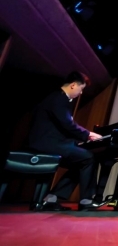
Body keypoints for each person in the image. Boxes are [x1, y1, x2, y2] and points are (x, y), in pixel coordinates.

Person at [27, 71, 104, 211]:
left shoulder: (57, 97)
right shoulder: (58, 98)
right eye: (81, 89)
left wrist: (76, 141)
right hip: (46, 143)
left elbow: (62, 126)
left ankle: (52, 198)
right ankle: (86, 200)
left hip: (49, 141)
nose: (81, 93)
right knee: (88, 158)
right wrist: (88, 134)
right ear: (73, 85)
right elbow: (67, 124)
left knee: (81, 161)